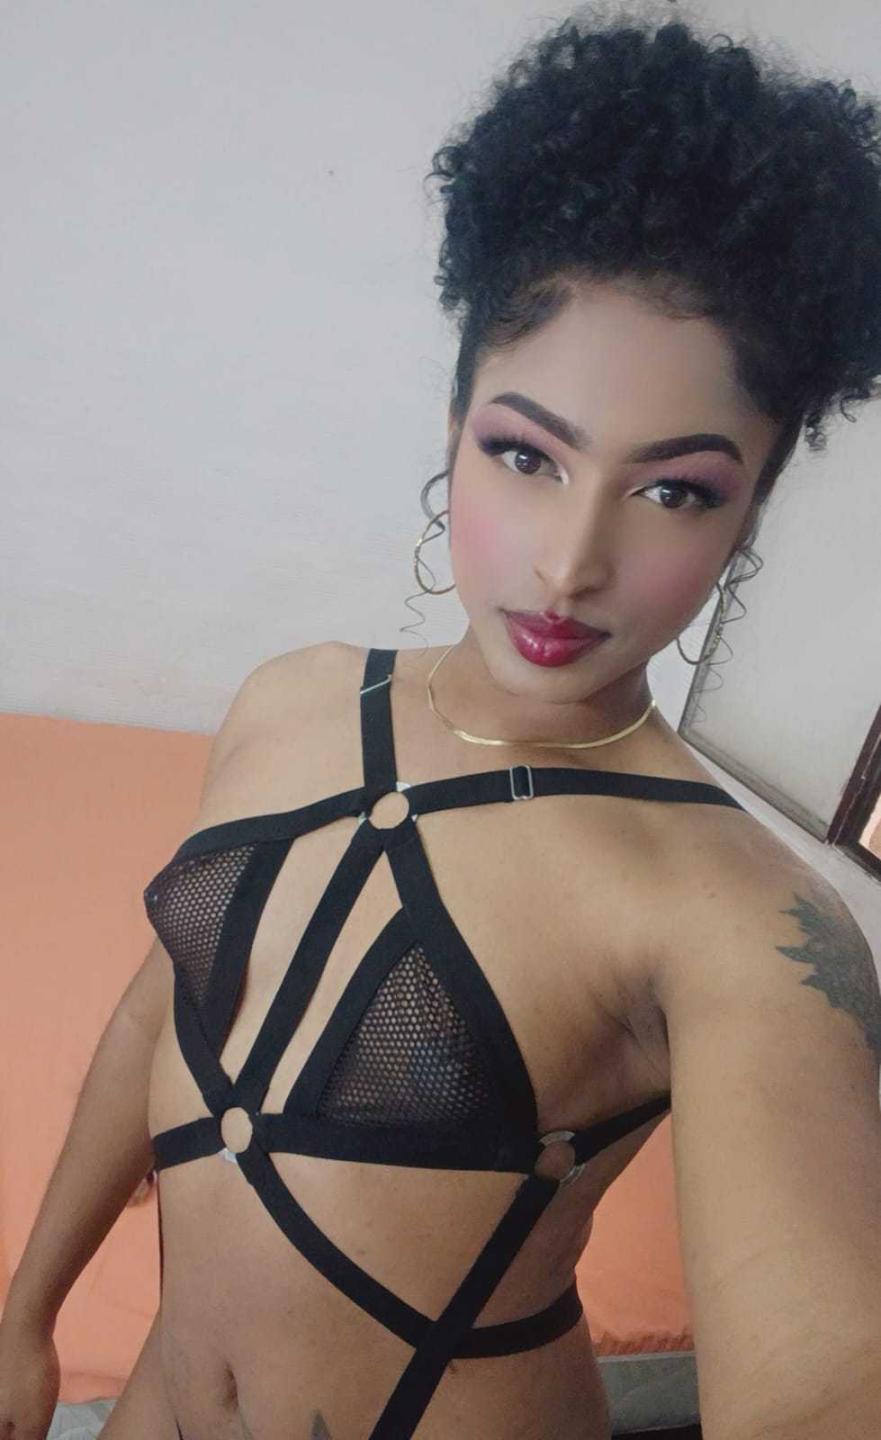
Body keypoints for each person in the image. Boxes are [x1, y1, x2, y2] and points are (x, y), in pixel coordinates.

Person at [3, 3, 881, 1437]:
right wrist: (26, 1311)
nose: (570, 563)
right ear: (455, 423)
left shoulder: (738, 921)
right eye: (527, 456)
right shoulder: (289, 699)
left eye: (674, 490)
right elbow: (172, 996)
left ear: (750, 513)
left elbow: (827, 1374)